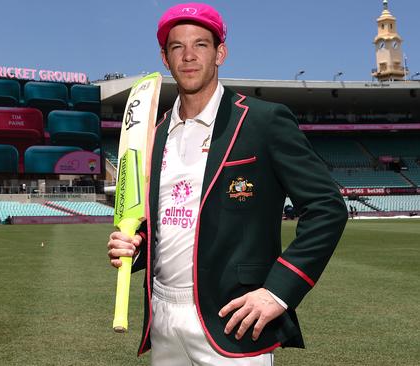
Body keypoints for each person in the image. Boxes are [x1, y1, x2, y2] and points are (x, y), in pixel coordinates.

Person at [107, 3, 347, 365]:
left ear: (220, 52)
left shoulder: (263, 121)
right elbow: (162, 220)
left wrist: (277, 292)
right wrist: (135, 246)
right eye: (177, 47)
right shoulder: (152, 136)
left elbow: (327, 209)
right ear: (164, 57)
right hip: (163, 316)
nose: (189, 56)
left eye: (200, 45)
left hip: (231, 322)